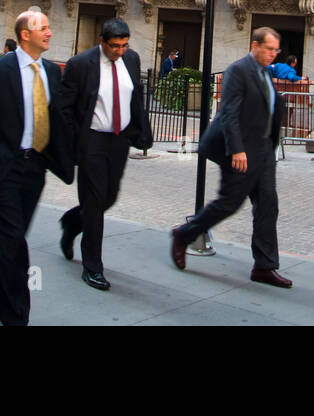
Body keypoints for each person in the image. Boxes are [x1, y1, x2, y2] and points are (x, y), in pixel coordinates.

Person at [0, 11, 73, 325]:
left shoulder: (51, 71)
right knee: (13, 242)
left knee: (10, 233)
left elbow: (57, 120)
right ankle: (15, 316)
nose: (49, 33)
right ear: (25, 34)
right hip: (1, 168)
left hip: (35, 169)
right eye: (43, 28)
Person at [170, 27, 291, 288]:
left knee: (268, 205)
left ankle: (265, 266)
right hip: (241, 152)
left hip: (263, 152)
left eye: (276, 50)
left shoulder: (264, 72)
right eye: (269, 49)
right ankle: (184, 234)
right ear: (254, 45)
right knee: (229, 203)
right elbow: (229, 113)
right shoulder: (239, 70)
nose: (273, 54)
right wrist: (237, 149)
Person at [57, 18, 154, 291]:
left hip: (119, 139)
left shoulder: (131, 60)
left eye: (124, 45)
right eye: (114, 46)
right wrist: (78, 137)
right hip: (92, 140)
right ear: (102, 41)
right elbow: (63, 106)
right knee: (96, 201)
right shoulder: (81, 64)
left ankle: (71, 223)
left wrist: (141, 129)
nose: (119, 51)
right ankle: (92, 267)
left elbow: (136, 96)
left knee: (108, 197)